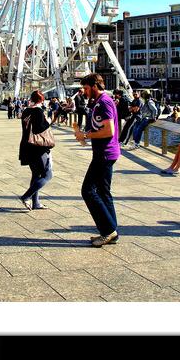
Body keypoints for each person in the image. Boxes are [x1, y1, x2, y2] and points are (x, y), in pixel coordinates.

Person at [74, 73, 120, 247]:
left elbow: (109, 131)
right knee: (103, 192)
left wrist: (86, 134)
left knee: (88, 191)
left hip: (105, 154)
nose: (84, 92)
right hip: (104, 152)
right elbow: (100, 127)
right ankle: (111, 232)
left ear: (94, 86)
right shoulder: (98, 103)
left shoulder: (104, 102)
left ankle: (108, 231)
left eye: (86, 88)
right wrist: (84, 136)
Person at [18, 90, 54, 211]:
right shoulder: (38, 111)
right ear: (41, 100)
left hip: (26, 146)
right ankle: (26, 196)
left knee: (36, 174)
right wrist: (48, 121)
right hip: (37, 147)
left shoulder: (26, 111)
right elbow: (39, 129)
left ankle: (36, 202)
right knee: (47, 174)